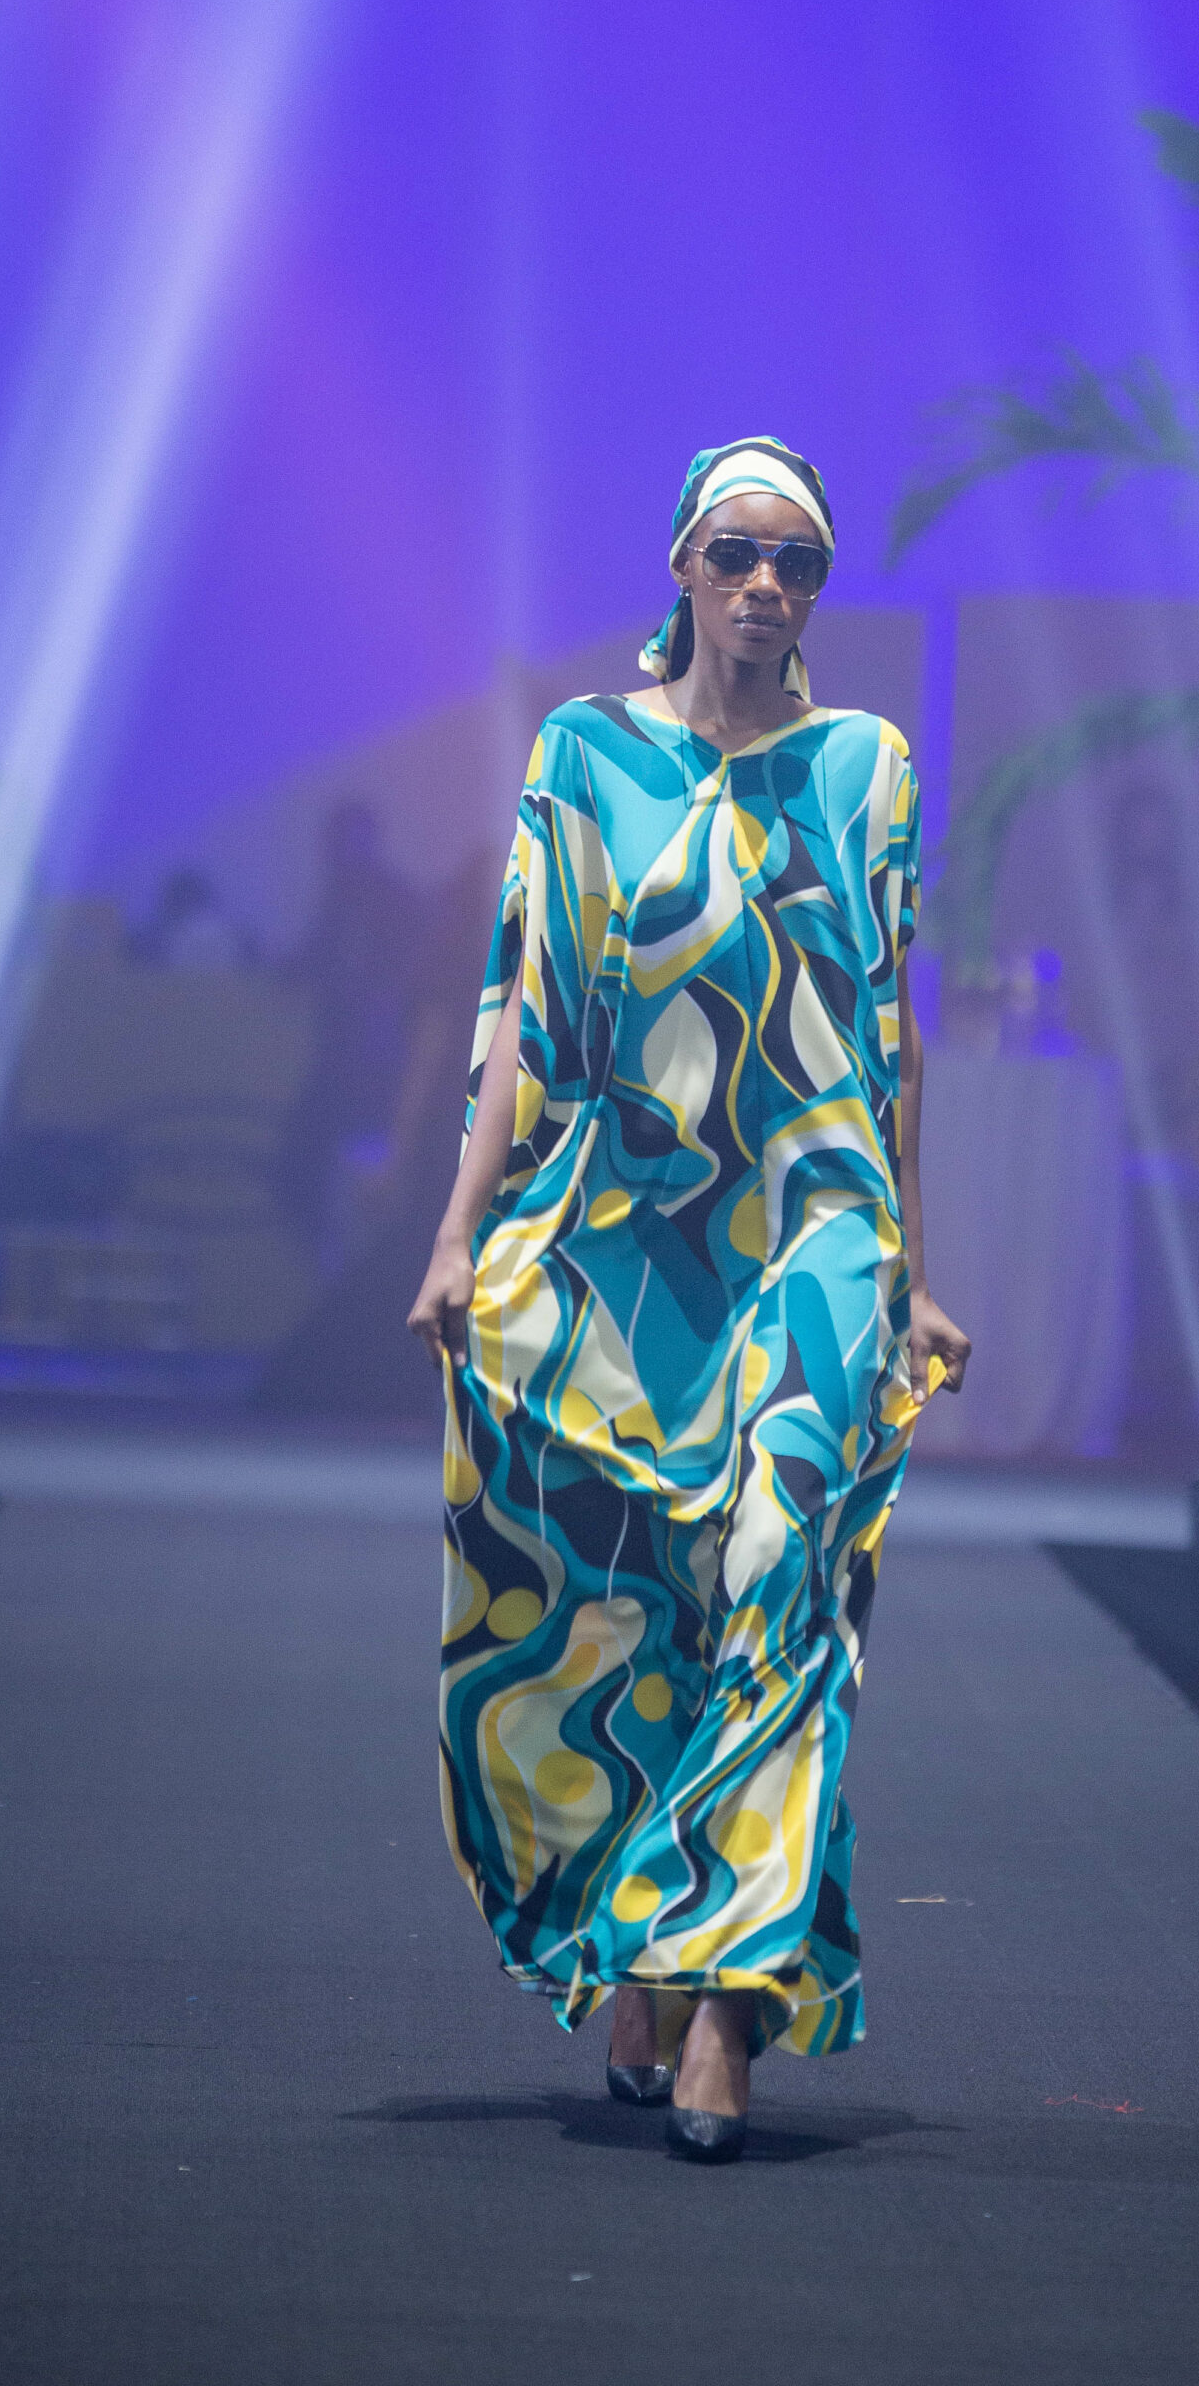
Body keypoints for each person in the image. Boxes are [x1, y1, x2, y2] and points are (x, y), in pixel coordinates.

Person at [408, 437, 971, 2165]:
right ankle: (640, 1937)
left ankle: (729, 2007)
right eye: (736, 552)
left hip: (815, 1225)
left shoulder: (866, 768)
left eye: (796, 562)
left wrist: (914, 1272)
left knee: (783, 1584)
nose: (764, 586)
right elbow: (519, 1007)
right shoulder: (583, 752)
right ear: (678, 564)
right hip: (626, 1229)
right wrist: (457, 1232)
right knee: (633, 1607)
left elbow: (891, 1034)